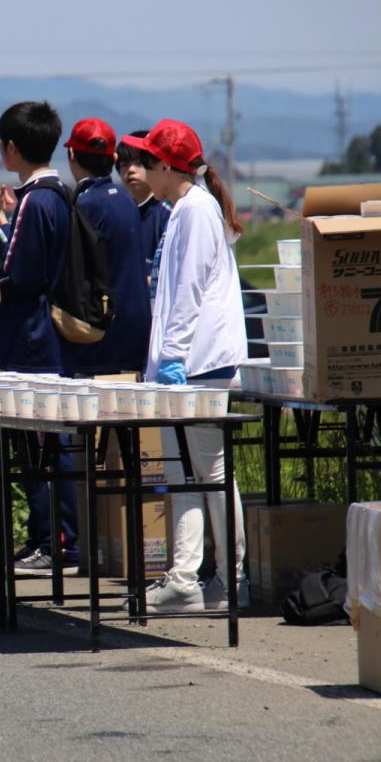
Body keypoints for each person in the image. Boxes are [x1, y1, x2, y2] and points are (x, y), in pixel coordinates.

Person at [122, 119, 248, 612]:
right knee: (189, 474)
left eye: (144, 161)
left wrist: (172, 355)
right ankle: (187, 577)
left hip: (198, 362)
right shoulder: (185, 208)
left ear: (165, 166)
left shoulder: (195, 209)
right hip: (187, 362)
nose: (137, 169)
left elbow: (190, 290)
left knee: (211, 472)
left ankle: (232, 579)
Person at [0, 101, 79, 577]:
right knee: (48, 446)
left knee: (38, 449)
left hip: (31, 339)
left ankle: (55, 541)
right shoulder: (60, 194)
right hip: (51, 339)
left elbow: (16, 274)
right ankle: (52, 537)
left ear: (11, 147)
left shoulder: (35, 199)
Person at [64, 118, 150, 374]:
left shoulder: (84, 204)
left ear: (71, 155)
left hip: (101, 333)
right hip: (138, 330)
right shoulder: (126, 199)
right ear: (113, 158)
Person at [116, 129, 171, 284]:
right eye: (124, 164)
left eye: (139, 164)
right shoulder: (119, 213)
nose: (131, 170)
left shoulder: (166, 214)